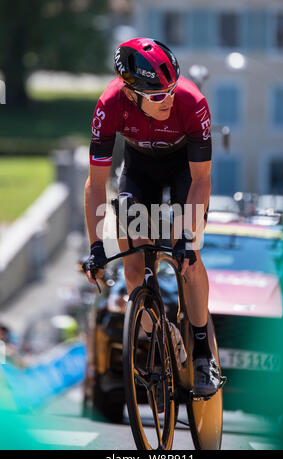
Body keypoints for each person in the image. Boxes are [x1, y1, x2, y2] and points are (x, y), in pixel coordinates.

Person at [83, 37, 221, 397]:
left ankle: (204, 352)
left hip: (183, 171)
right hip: (139, 170)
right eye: (158, 96)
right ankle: (158, 335)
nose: (169, 99)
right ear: (131, 93)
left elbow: (201, 180)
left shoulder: (192, 103)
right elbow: (96, 184)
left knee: (189, 257)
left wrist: (188, 238)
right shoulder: (109, 105)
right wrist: (96, 245)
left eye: (171, 88)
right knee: (133, 265)